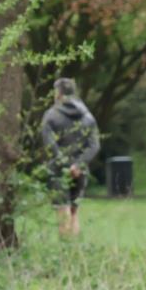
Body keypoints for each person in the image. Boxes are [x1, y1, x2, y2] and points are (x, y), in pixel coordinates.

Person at [41, 78, 100, 236]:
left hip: (59, 170)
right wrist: (78, 165)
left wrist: (65, 165)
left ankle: (65, 251)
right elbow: (94, 145)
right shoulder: (88, 116)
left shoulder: (51, 115)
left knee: (62, 209)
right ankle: (75, 253)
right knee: (74, 211)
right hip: (80, 172)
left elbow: (49, 143)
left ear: (58, 93)